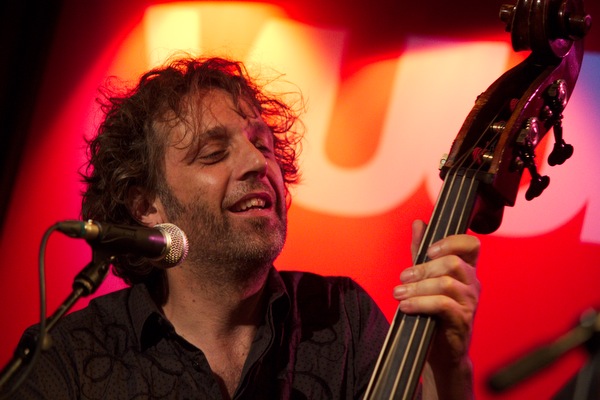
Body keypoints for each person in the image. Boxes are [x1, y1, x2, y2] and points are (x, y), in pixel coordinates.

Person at [7, 56, 480, 399]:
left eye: (264, 145)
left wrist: (448, 368)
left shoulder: (342, 317)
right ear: (146, 204)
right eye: (214, 154)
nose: (258, 163)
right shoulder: (72, 357)